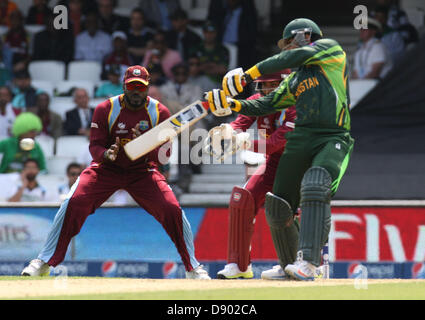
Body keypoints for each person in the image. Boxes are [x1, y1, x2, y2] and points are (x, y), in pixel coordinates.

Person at [21, 65, 210, 280]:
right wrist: (106, 154)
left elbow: (162, 158)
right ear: (124, 86)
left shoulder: (160, 112)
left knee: (172, 209)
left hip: (143, 171)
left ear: (147, 88)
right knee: (73, 202)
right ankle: (44, 261)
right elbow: (94, 147)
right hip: (107, 169)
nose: (136, 91)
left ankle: (192, 267)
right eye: (132, 87)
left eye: (140, 87)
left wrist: (148, 141)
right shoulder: (106, 109)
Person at [205, 18, 354, 281]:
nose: (286, 50)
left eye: (288, 44)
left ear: (302, 37)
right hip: (299, 143)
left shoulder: (330, 50)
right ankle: (287, 266)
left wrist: (247, 74)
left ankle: (309, 263)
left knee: (315, 183)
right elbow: (265, 104)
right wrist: (231, 106)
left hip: (331, 136)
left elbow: (296, 57)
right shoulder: (295, 81)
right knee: (278, 204)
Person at [210, 70, 296, 279]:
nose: (267, 90)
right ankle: (239, 265)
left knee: (291, 210)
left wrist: (245, 143)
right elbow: (241, 122)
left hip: (297, 163)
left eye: (273, 84)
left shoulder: (295, 104)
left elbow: (276, 143)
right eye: (264, 85)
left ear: (284, 83)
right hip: (274, 164)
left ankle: (297, 264)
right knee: (242, 199)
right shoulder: (257, 100)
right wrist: (227, 131)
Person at [207, 0, 258, 69]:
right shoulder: (218, 6)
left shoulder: (247, 9)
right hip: (221, 44)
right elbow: (211, 23)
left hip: (241, 47)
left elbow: (252, 30)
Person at [190, 21, 230, 86]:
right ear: (203, 33)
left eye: (212, 32)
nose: (209, 35)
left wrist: (203, 67)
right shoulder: (196, 48)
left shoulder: (223, 50)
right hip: (198, 82)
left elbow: (223, 70)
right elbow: (193, 70)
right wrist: (212, 66)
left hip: (217, 82)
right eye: (207, 32)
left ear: (216, 33)